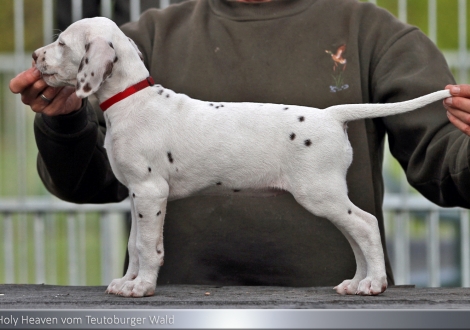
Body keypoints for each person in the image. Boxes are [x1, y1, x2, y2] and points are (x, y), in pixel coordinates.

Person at [9, 0, 470, 288]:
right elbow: (94, 182)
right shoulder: (145, 36)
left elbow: (445, 162)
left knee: (325, 200)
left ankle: (370, 273)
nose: (47, 54)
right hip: (175, 311)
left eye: (63, 47)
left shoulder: (374, 33)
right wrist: (65, 121)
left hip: (334, 316)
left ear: (96, 63)